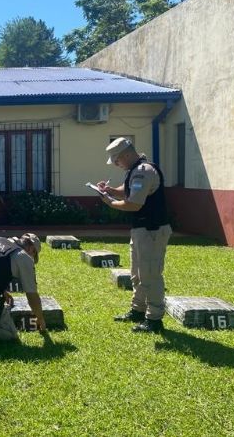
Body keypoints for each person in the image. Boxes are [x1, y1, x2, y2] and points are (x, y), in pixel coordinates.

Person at [98, 137, 172, 333]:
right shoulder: (134, 170)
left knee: (151, 275)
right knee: (137, 274)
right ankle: (138, 310)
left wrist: (110, 202)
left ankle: (154, 319)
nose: (116, 163)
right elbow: (128, 190)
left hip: (152, 230)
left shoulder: (143, 171)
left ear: (128, 154)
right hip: (142, 230)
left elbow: (134, 203)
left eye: (117, 159)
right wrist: (111, 191)